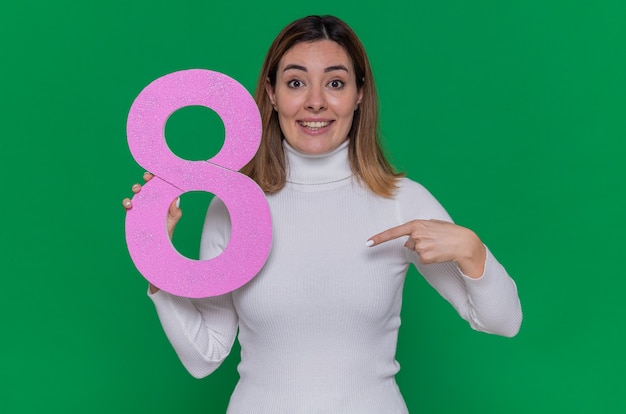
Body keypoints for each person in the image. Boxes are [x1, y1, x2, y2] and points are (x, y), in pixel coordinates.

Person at [123, 15, 522, 413]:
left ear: (360, 93)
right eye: (296, 82)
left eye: (335, 83)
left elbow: (504, 322)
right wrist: (158, 260)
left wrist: (473, 251)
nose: (316, 101)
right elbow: (204, 356)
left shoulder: (402, 201)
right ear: (272, 93)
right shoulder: (233, 205)